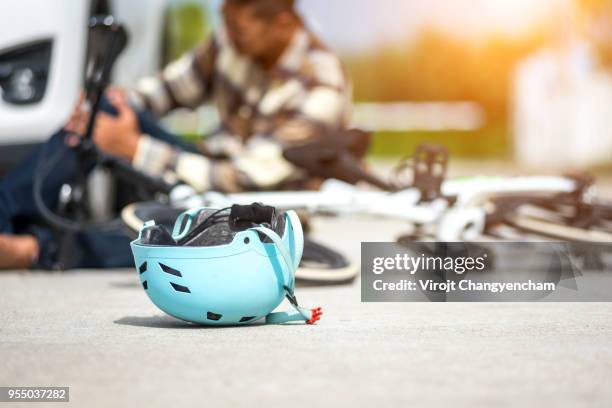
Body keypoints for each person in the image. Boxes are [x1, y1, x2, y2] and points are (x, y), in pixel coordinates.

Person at [0, 0, 351, 270]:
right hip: (207, 165)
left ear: (283, 23)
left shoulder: (320, 85)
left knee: (194, 239)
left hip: (260, 203)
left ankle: (33, 250)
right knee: (103, 111)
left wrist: (136, 149)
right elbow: (167, 89)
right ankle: (3, 210)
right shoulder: (233, 39)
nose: (228, 35)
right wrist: (117, 102)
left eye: (238, 29)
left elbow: (244, 178)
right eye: (225, 22)